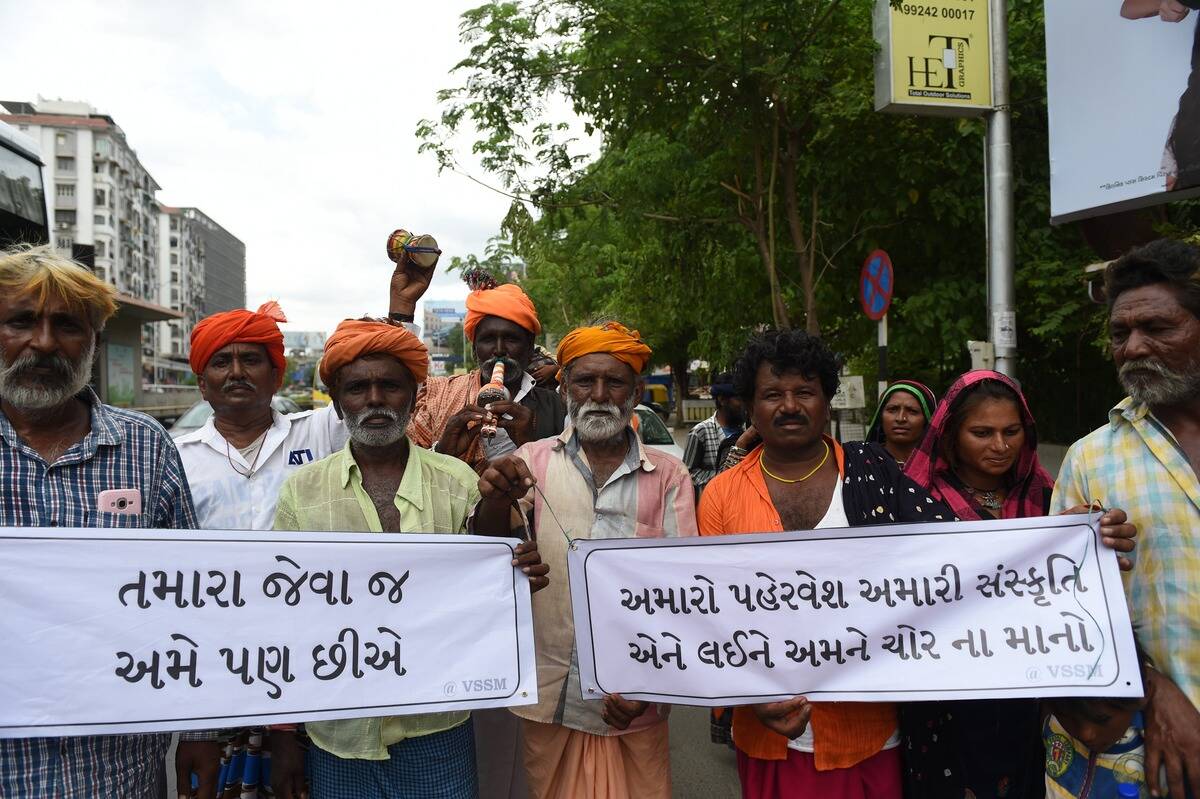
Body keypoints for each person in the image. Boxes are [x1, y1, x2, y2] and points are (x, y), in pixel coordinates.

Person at [268, 317, 548, 799]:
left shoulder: (457, 479)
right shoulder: (302, 489)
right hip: (339, 733)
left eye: (390, 386)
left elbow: (490, 572)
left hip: (436, 725)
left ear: (413, 395)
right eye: (358, 388)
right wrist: (284, 732)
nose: (375, 400)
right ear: (338, 402)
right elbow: (286, 616)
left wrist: (517, 569)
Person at [698, 329, 959, 798]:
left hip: (869, 734)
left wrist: (1063, 538)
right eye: (772, 394)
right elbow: (711, 615)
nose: (789, 406)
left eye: (805, 392)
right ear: (751, 407)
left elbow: (954, 562)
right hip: (768, 739)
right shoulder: (721, 495)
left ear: (827, 400)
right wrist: (753, 695)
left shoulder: (878, 476)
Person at [0, 245, 197, 798]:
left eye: (66, 325)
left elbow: (192, 593)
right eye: (20, 321)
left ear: (93, 340)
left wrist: (204, 730)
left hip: (115, 765)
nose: (42, 343)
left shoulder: (145, 446)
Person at [474, 321, 696, 799]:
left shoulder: (671, 476)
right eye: (584, 381)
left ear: (635, 390)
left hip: (633, 702)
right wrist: (494, 497)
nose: (599, 394)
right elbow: (489, 546)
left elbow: (682, 593)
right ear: (565, 387)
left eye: (614, 382)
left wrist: (643, 685)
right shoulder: (529, 462)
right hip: (551, 695)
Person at [902, 369, 1137, 799]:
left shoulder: (1052, 500)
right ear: (951, 434)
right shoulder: (913, 503)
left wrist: (1095, 541)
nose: (1000, 445)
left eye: (1011, 431)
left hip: (1032, 699)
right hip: (946, 703)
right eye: (981, 432)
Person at [1052, 238, 1200, 799]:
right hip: (1145, 760)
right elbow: (1061, 615)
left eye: (1158, 329)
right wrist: (1153, 690)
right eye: (1120, 334)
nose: (1133, 347)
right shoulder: (1091, 459)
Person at [396, 271, 567, 471]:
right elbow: (403, 466)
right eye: (488, 340)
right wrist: (443, 451)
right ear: (474, 349)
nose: (500, 350)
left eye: (511, 339)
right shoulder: (439, 394)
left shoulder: (557, 406)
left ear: (529, 348)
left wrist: (529, 445)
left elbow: (570, 479)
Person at [1043, 639, 1153, 798]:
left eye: (1102, 719)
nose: (1086, 734)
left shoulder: (1156, 754)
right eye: (1069, 717)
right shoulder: (1054, 721)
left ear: (1143, 693)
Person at [683, 381, 745, 496]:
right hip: (711, 505)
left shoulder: (747, 432)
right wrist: (722, 476)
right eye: (739, 399)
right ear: (722, 400)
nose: (743, 405)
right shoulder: (700, 432)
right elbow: (687, 475)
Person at [864, 379, 937, 466]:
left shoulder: (940, 469)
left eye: (912, 411)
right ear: (880, 416)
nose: (901, 418)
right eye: (892, 409)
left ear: (928, 419)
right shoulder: (860, 464)